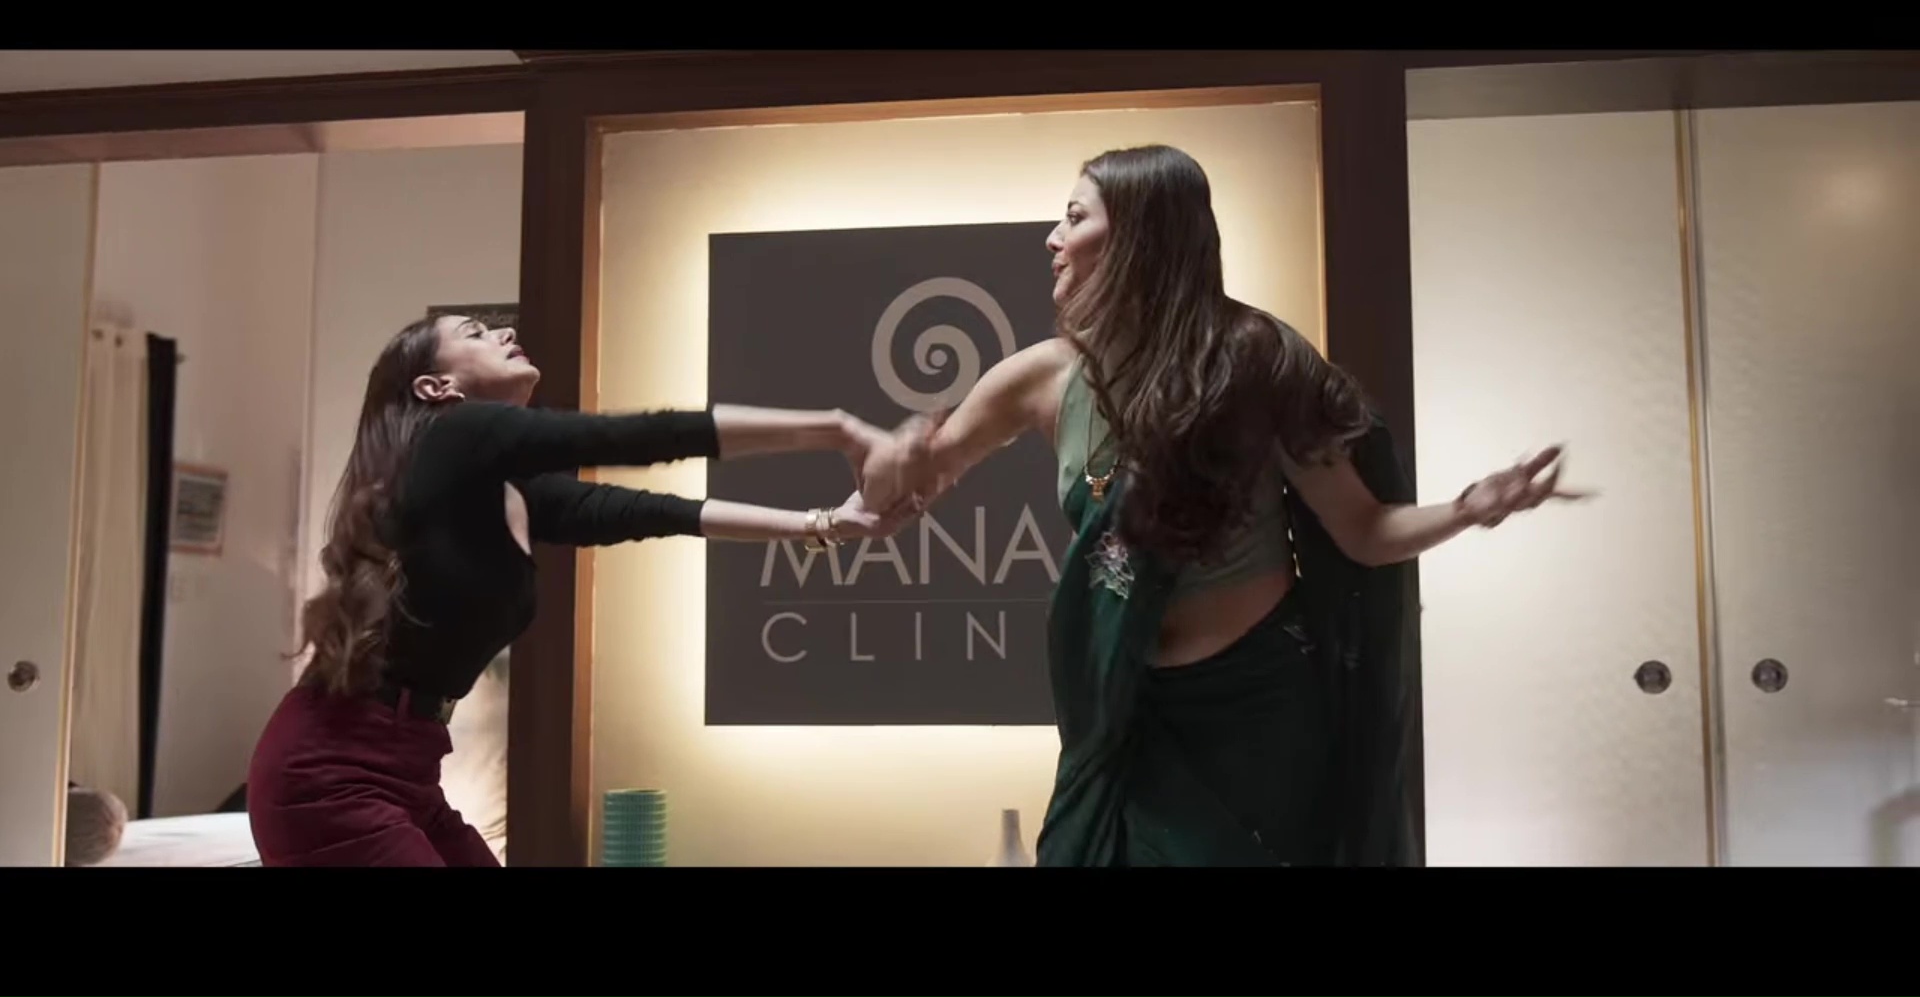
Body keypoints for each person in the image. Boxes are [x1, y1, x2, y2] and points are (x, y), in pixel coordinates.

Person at [859, 144, 1587, 866]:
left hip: (1258, 709)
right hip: (1126, 708)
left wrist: (1469, 507)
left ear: (1141, 232)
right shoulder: (1042, 379)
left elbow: (1363, 530)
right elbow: (916, 476)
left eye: (1074, 217)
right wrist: (884, 465)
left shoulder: (1254, 359)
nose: (1052, 238)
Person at [247, 313, 925, 866]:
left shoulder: (505, 488)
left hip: (408, 768)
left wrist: (826, 525)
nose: (507, 332)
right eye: (476, 333)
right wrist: (838, 429)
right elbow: (632, 436)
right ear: (435, 387)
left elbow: (656, 513)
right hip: (327, 777)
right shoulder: (454, 434)